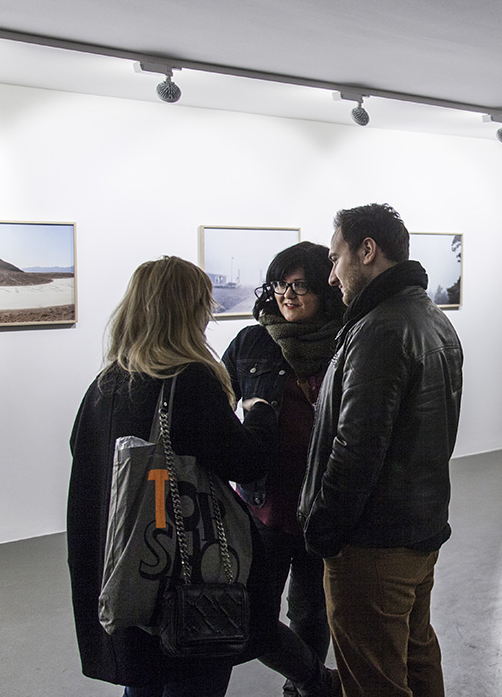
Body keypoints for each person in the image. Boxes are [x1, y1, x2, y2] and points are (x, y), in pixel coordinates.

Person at [66, 256, 337, 697]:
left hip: (128, 562)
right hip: (184, 565)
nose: (209, 315)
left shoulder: (107, 382)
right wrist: (260, 413)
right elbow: (246, 462)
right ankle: (317, 681)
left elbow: (84, 455)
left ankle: (313, 679)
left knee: (145, 675)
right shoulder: (188, 380)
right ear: (185, 310)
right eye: (202, 305)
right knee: (195, 669)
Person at [299, 203, 463, 697]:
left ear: (367, 250)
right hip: (418, 529)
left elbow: (356, 448)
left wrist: (324, 529)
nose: (331, 276)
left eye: (336, 258)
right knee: (416, 655)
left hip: (372, 543)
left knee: (374, 680)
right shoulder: (430, 318)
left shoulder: (380, 329)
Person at [221, 242, 345, 697]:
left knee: (311, 614)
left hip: (321, 509)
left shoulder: (345, 344)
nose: (287, 295)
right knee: (252, 616)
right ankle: (316, 680)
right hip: (264, 507)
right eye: (280, 284)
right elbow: (215, 409)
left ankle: (302, 689)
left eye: (300, 286)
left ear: (324, 291)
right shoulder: (252, 342)